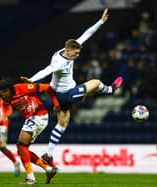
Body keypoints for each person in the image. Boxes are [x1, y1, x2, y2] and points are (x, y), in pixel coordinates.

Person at [21, 8, 123, 166]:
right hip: (65, 95)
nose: (77, 56)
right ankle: (111, 90)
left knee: (63, 123)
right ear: (68, 52)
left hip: (60, 96)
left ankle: (48, 154)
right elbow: (46, 70)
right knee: (95, 83)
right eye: (75, 54)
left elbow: (86, 34)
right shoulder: (58, 61)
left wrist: (101, 22)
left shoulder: (69, 49)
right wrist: (31, 80)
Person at [0, 79, 60, 185]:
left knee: (21, 145)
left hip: (39, 116)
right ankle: (48, 169)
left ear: (7, 90)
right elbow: (9, 109)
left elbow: (47, 87)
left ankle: (31, 178)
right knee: (21, 150)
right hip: (31, 119)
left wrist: (56, 104)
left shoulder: (22, 88)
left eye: (2, 94)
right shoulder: (7, 99)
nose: (1, 97)